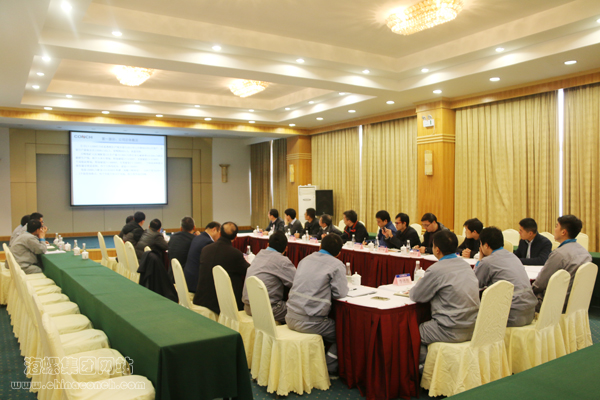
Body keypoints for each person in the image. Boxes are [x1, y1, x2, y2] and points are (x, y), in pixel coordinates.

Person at [410, 230, 480, 364]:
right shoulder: (466, 265)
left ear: (437, 249)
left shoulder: (436, 269)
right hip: (473, 327)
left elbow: (416, 295)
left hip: (449, 329)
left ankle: (425, 369)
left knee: (414, 332)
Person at [286, 234, 348, 374]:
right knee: (344, 333)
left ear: (320, 246)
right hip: (311, 322)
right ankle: (328, 367)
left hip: (289, 316)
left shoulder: (305, 260)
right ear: (339, 253)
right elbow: (340, 293)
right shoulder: (337, 265)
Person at [475, 227, 537, 327]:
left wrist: (480, 260)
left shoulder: (487, 262)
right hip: (529, 312)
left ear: (485, 245)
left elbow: (474, 285)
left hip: (510, 315)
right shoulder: (513, 256)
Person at [533, 215, 592, 312]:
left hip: (555, 304)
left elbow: (539, 284)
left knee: (519, 298)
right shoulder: (586, 254)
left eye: (556, 226)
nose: (554, 229)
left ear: (563, 232)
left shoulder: (559, 254)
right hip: (576, 303)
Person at [193, 222, 249, 314]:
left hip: (202, 297)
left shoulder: (206, 249)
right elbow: (248, 271)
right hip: (221, 302)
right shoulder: (235, 254)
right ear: (235, 237)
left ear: (220, 234)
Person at [242, 231, 296, 323]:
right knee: (300, 313)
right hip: (268, 309)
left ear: (267, 245)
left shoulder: (258, 255)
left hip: (248, 307)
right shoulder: (282, 261)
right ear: (286, 248)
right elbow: (297, 283)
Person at [184, 222, 221, 293]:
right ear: (214, 230)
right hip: (196, 283)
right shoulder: (208, 242)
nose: (219, 235)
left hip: (188, 278)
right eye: (219, 232)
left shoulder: (197, 238)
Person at [167, 217, 199, 281]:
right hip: (186, 278)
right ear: (194, 227)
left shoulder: (173, 237)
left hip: (171, 275)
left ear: (181, 228)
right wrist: (199, 237)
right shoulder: (194, 240)